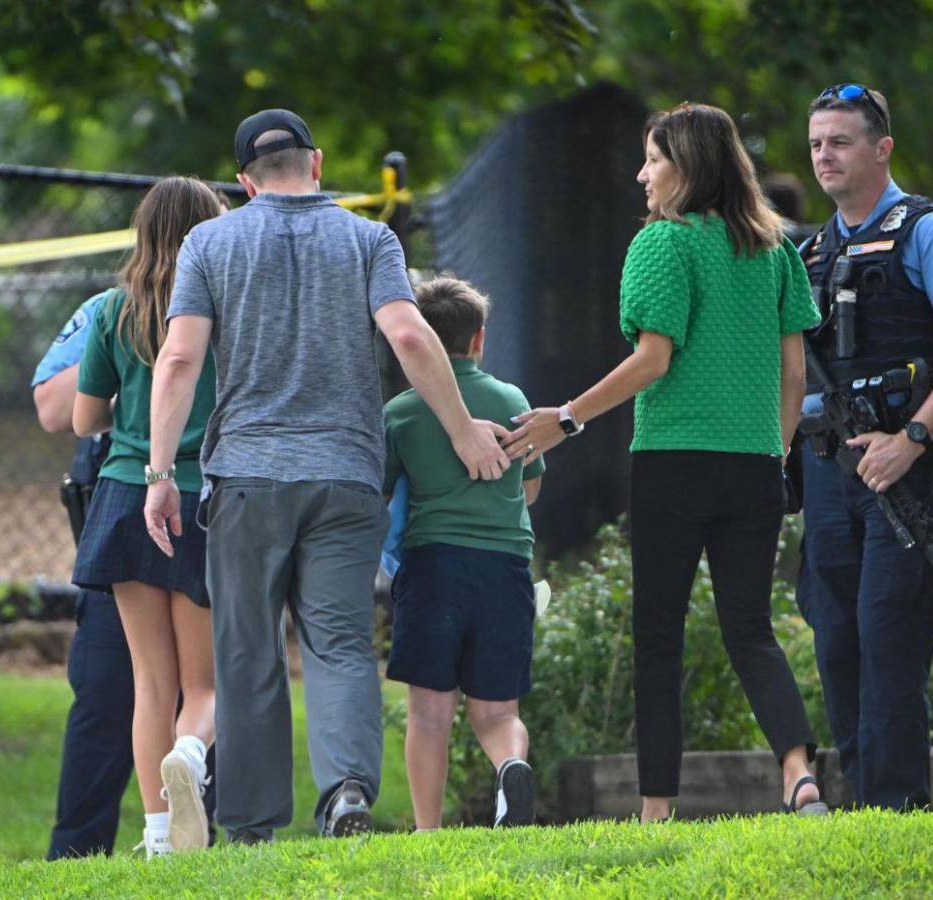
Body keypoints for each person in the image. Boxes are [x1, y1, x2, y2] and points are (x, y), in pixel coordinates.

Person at [144, 109, 511, 843]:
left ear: (246, 182)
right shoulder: (370, 239)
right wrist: (463, 429)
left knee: (248, 648)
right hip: (346, 476)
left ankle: (251, 823)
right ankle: (346, 792)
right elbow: (409, 334)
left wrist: (159, 472)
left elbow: (179, 358)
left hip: (246, 476)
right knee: (339, 642)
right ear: (316, 163)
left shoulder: (208, 243)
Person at [505, 102, 827, 822]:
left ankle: (656, 808)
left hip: (673, 464)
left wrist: (566, 418)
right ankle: (799, 773)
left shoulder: (662, 243)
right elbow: (795, 376)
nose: (641, 174)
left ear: (688, 168)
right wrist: (773, 455)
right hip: (755, 467)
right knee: (751, 631)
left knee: (658, 636)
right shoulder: (774, 251)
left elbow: (653, 359)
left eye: (653, 159)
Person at [796, 84, 933, 810]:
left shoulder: (929, 232)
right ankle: (865, 813)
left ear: (882, 149)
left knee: (889, 642)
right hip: (829, 475)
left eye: (840, 141)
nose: (824, 155)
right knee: (837, 642)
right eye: (816, 143)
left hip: (907, 478)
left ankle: (898, 810)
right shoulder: (812, 251)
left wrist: (913, 438)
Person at [72, 176, 223, 857]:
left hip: (123, 497)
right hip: (201, 498)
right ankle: (190, 755)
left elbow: (84, 419)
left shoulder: (114, 310)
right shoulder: (226, 307)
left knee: (150, 684)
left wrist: (131, 408)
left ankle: (158, 836)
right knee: (204, 685)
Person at [383, 276, 545, 831]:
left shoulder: (402, 412)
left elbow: (385, 493)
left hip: (433, 567)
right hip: (505, 568)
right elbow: (530, 488)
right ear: (479, 339)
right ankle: (512, 767)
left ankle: (428, 830)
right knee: (497, 711)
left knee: (430, 714)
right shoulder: (512, 401)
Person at [32, 294, 134, 860]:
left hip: (208, 516)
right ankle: (74, 864)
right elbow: (52, 409)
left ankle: (205, 856)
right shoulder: (111, 310)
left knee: (204, 698)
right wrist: (125, 343)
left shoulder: (233, 293)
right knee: (103, 694)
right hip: (118, 528)